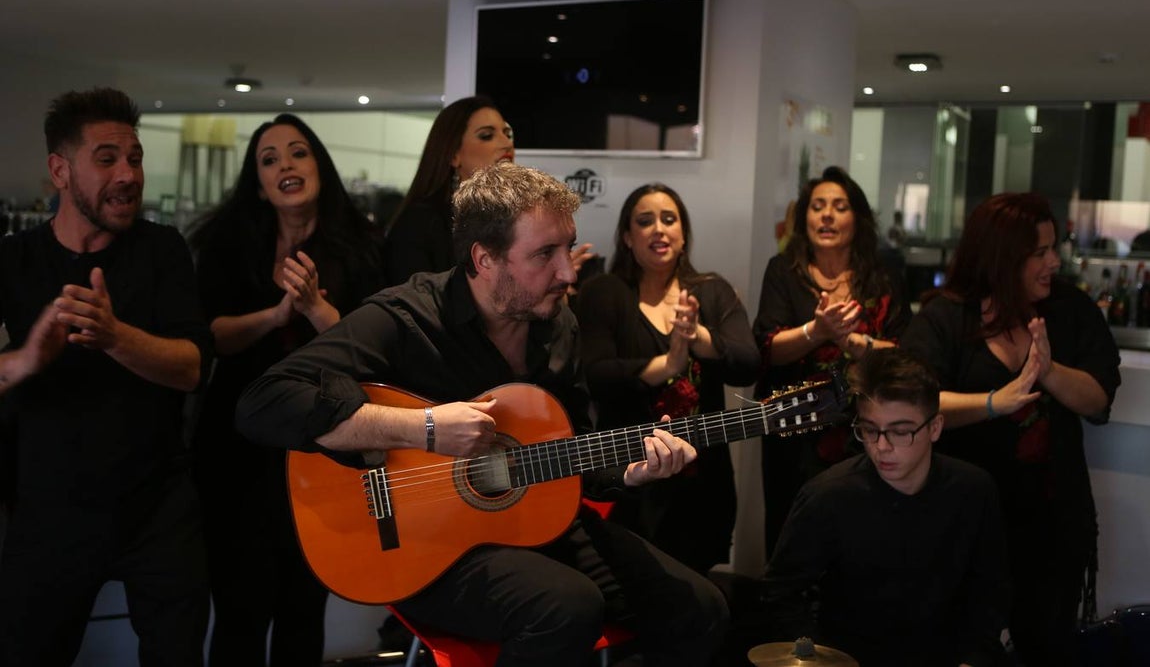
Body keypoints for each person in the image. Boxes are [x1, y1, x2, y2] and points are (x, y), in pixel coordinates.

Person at [237, 163, 728, 667]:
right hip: (422, 544)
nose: (568, 272)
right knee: (565, 606)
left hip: (533, 525)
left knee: (700, 607)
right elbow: (264, 402)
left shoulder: (558, 325)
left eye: (568, 248)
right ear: (484, 258)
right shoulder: (405, 319)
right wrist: (424, 428)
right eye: (545, 254)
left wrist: (630, 469)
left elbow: (576, 443)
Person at [0, 88, 212, 667]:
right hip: (49, 512)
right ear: (60, 171)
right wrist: (22, 362)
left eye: (135, 158)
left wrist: (115, 336)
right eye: (108, 158)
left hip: (157, 510)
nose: (128, 174)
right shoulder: (14, 260)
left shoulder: (162, 250)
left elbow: (192, 367)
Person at [187, 113, 387, 666]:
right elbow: (212, 339)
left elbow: (380, 355)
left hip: (324, 447)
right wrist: (275, 315)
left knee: (303, 611)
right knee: (237, 612)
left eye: (298, 153)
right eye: (270, 160)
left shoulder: (366, 245)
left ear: (318, 165)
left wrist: (318, 311)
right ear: (258, 184)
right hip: (238, 450)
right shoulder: (227, 244)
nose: (286, 166)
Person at [900, 192, 1120, 667]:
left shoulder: (1070, 309)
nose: (1053, 262)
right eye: (1039, 252)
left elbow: (1099, 399)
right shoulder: (947, 315)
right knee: (962, 648)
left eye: (1053, 248)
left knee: (1047, 645)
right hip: (965, 521)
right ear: (1003, 256)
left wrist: (1048, 372)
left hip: (1053, 523)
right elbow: (913, 400)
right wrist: (995, 402)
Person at [761, 348, 1012, 667]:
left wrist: (974, 659)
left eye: (900, 431)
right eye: (869, 430)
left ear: (935, 428)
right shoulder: (828, 496)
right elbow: (780, 593)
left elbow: (991, 595)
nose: (881, 446)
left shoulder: (974, 491)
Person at [576, 183, 758, 574]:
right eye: (645, 221)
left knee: (699, 589)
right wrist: (669, 364)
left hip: (703, 479)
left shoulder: (711, 291)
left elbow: (748, 363)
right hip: (628, 476)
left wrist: (699, 339)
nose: (659, 229)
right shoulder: (603, 293)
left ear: (683, 233)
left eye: (669, 219)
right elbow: (595, 374)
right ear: (627, 237)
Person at [753, 165, 911, 556]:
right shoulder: (783, 271)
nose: (826, 215)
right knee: (792, 532)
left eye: (839, 206)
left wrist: (857, 344)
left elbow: (905, 352)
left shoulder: (883, 275)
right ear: (803, 217)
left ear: (857, 218)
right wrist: (817, 331)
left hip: (867, 430)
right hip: (793, 429)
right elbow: (768, 348)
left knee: (862, 539)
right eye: (817, 206)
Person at [382, 95, 593, 286]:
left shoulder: (517, 215)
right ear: (453, 154)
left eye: (507, 133)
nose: (506, 143)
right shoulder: (419, 224)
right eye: (486, 136)